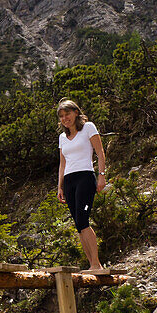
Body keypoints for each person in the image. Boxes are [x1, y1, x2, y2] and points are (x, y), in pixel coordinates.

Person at [56, 98, 107, 271]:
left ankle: (96, 264)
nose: (65, 118)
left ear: (76, 113)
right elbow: (62, 164)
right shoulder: (62, 137)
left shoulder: (88, 128)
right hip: (69, 181)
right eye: (61, 116)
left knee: (83, 219)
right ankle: (91, 264)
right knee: (79, 224)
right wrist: (60, 187)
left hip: (85, 177)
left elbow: (100, 152)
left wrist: (101, 175)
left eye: (67, 114)